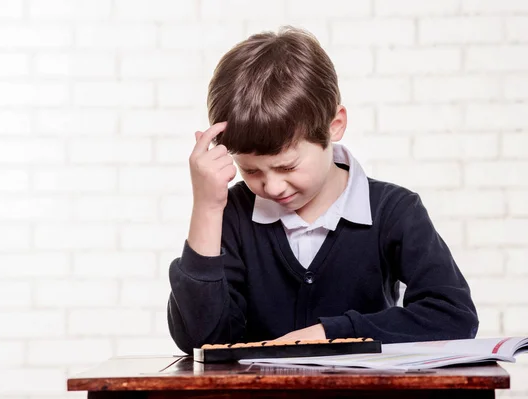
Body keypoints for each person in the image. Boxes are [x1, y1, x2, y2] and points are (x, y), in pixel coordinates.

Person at [166, 27, 478, 355]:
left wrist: (331, 334)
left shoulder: (394, 211)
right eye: (251, 170)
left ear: (334, 125)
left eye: (287, 167)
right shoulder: (232, 215)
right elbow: (200, 341)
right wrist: (207, 207)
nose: (271, 186)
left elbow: (454, 317)